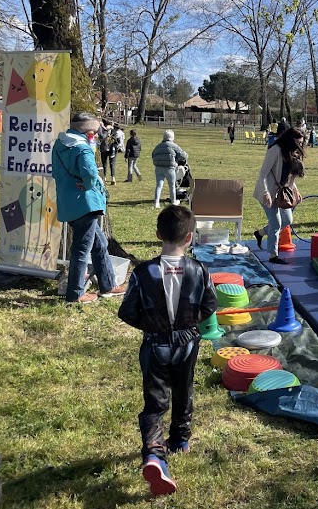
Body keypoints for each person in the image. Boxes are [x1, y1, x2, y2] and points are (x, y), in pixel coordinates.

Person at [117, 205, 217, 496]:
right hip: (187, 343)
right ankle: (180, 441)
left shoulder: (143, 272)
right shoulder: (200, 270)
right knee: (184, 390)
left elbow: (127, 311)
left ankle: (153, 454)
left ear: (158, 235)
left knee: (154, 401)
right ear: (189, 238)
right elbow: (210, 305)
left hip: (155, 343)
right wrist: (189, 322)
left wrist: (151, 325)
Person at [52, 112, 123, 304]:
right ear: (90, 132)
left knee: (100, 244)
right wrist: (89, 184)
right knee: (81, 250)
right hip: (85, 203)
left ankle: (108, 285)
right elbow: (91, 174)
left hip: (69, 203)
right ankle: (75, 294)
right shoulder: (83, 149)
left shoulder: (59, 144)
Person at [253, 127, 306, 264]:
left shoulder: (294, 153)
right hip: (268, 192)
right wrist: (266, 193)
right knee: (275, 223)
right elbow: (263, 173)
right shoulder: (275, 150)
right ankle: (273, 255)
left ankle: (260, 233)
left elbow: (288, 176)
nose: (300, 145)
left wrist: (296, 190)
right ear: (290, 140)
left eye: (301, 143)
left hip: (283, 194)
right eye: (298, 142)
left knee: (287, 220)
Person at [151, 130, 188, 209]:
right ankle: (173, 202)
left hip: (158, 168)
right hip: (169, 168)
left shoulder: (158, 146)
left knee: (159, 185)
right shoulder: (173, 146)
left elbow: (153, 154)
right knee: (172, 186)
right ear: (172, 137)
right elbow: (183, 155)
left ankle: (156, 203)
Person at [99, 120, 119, 185]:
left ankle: (105, 177)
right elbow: (117, 140)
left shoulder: (104, 131)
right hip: (112, 149)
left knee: (104, 163)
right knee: (112, 163)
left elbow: (101, 137)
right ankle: (112, 177)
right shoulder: (114, 132)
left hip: (105, 149)